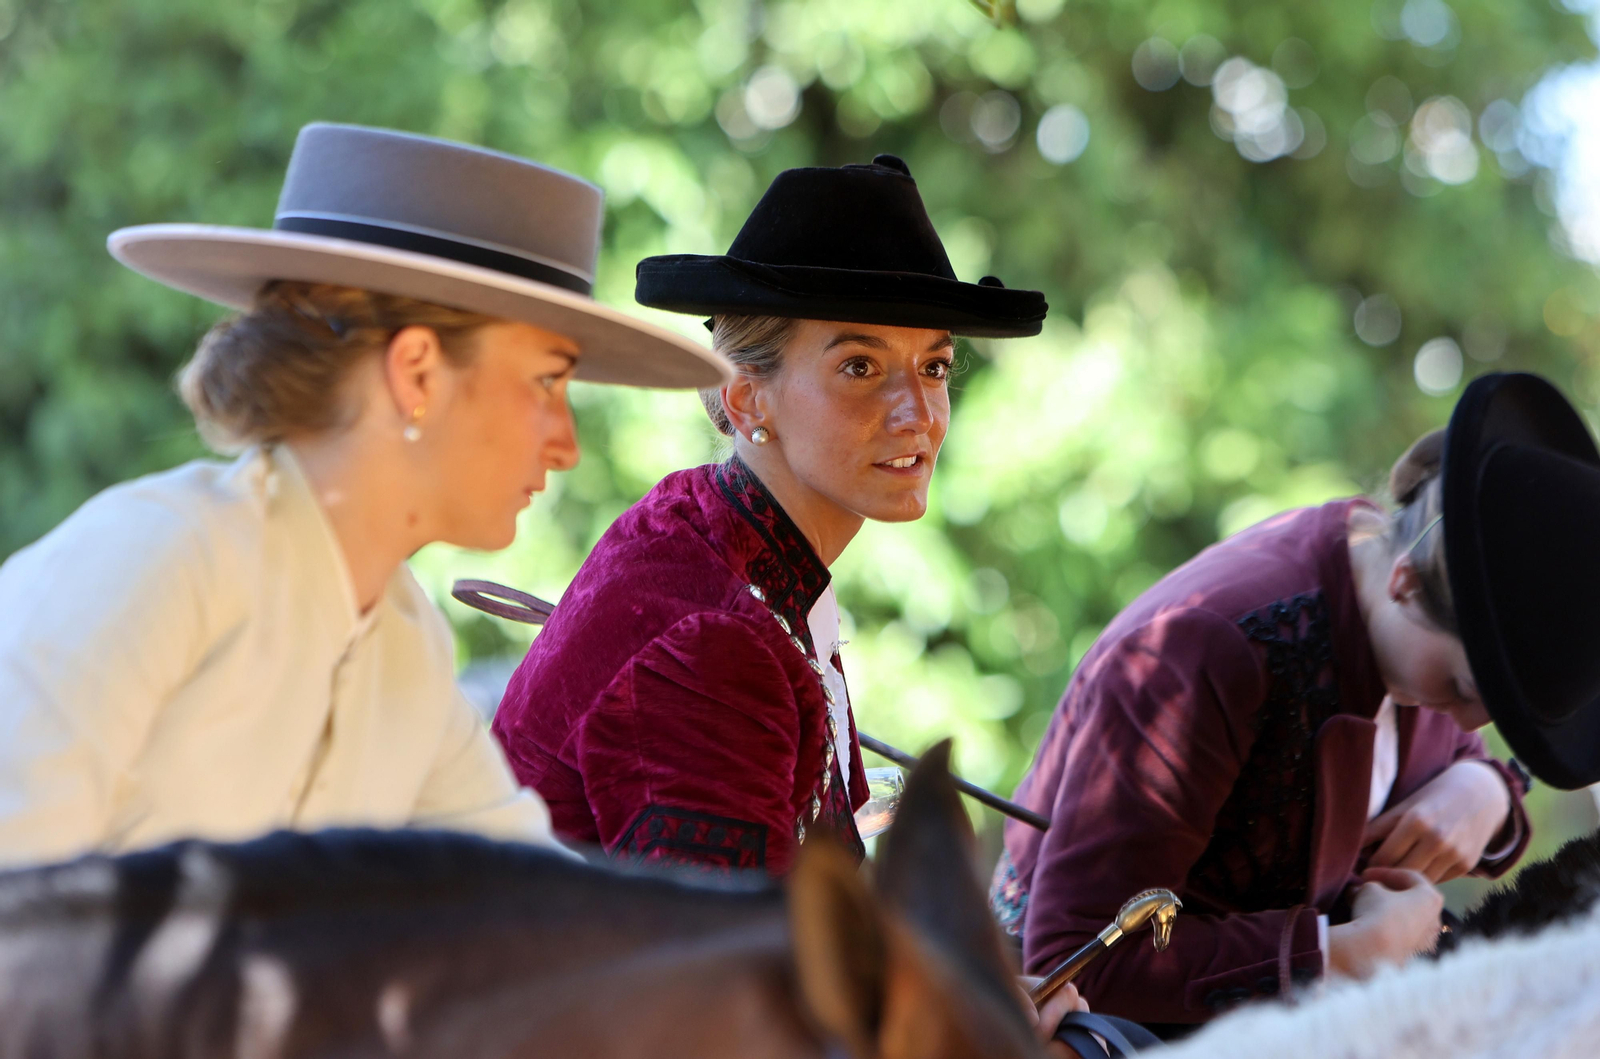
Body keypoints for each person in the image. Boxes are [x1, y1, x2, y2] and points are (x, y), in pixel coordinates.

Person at [0, 123, 731, 868]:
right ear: (417, 372)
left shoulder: (405, 643)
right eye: (547, 380)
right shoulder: (156, 558)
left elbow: (530, 892)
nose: (567, 445)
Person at [491, 154, 1048, 874]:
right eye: (860, 367)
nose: (918, 413)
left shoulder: (720, 539)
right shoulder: (713, 641)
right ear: (748, 397)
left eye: (934, 367)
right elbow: (724, 942)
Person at [992, 371, 1600, 1030]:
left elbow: (1457, 750)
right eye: (1465, 689)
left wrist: (1484, 790)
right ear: (1403, 583)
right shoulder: (1209, 652)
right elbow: (1080, 962)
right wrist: (1342, 955)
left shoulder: (1413, 626)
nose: (1469, 722)